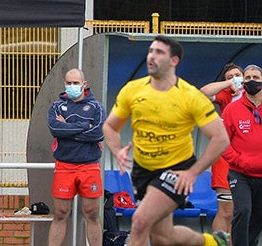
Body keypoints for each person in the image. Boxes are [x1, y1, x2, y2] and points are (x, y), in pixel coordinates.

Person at [102, 35, 231, 246]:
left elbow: (221, 138)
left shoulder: (190, 95)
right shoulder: (133, 90)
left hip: (176, 171)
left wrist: (193, 172)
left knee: (140, 221)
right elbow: (109, 126)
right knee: (163, 237)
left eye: (159, 52)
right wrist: (117, 150)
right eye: (150, 51)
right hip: (144, 171)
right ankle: (212, 242)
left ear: (174, 61)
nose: (152, 56)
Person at [46, 68, 105, 246]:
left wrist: (68, 129)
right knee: (60, 213)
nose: (72, 86)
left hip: (89, 166)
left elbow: (98, 134)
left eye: (75, 83)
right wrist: (84, 126)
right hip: (64, 166)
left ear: (84, 84)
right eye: (69, 83)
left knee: (92, 213)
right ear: (64, 84)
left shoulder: (96, 107)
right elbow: (55, 129)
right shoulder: (56, 106)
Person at [205, 63, 247, 238]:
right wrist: (228, 84)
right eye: (230, 76)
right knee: (227, 210)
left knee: (246, 210)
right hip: (226, 157)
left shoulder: (255, 95)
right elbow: (202, 93)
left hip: (251, 159)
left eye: (238, 75)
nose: (235, 78)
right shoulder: (227, 94)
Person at [222, 64, 262, 246]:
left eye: (256, 78)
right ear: (242, 82)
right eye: (248, 78)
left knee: (257, 217)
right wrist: (240, 161)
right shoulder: (232, 109)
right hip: (240, 173)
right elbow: (222, 143)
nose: (252, 81)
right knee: (243, 210)